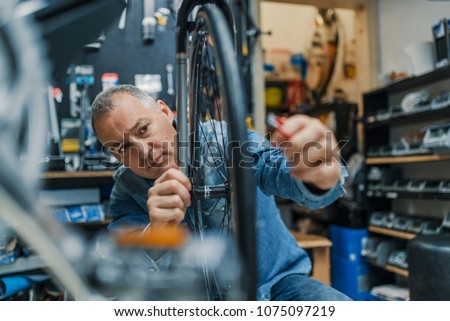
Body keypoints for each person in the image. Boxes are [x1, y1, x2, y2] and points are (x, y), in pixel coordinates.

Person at [91, 84, 351, 301]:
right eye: (123, 148)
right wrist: (157, 232)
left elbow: (277, 170)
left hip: (275, 288)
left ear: (164, 111)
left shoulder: (225, 140)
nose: (144, 151)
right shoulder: (126, 191)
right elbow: (127, 272)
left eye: (144, 130)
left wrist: (316, 171)